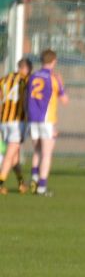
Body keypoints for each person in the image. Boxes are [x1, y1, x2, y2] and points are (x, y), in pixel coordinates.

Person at [26, 49, 69, 197]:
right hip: (46, 120)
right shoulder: (54, 78)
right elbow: (65, 101)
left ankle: (34, 178)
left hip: (32, 119)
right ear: (54, 61)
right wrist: (62, 85)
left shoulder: (33, 77)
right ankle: (42, 187)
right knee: (47, 154)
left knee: (37, 150)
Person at [0, 56, 32, 194]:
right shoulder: (26, 80)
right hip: (17, 122)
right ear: (27, 69)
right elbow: (27, 100)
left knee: (14, 156)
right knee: (10, 154)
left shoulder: (4, 79)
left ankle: (21, 183)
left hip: (4, 121)